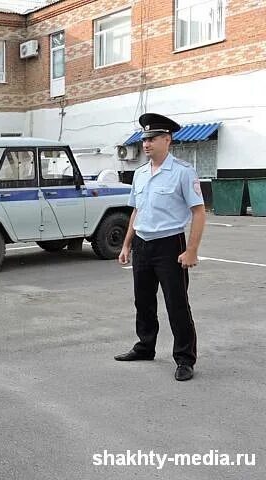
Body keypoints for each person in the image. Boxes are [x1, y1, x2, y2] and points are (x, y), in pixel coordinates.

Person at [116, 113, 206, 382]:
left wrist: (191, 250)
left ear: (167, 140)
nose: (146, 144)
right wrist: (127, 244)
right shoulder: (140, 174)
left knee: (176, 304)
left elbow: (199, 212)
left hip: (170, 245)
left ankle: (184, 358)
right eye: (144, 139)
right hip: (143, 245)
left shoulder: (182, 172)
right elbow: (137, 211)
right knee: (143, 301)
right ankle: (145, 346)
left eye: (152, 138)